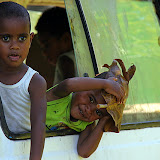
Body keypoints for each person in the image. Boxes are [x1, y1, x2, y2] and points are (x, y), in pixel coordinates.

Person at [0, 2, 47, 160]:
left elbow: (39, 125)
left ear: (31, 39)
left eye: (22, 38)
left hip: (22, 149)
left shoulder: (35, 82)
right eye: (6, 38)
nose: (15, 46)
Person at [46, 74, 125, 158]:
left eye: (98, 112)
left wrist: (106, 118)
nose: (89, 110)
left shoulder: (85, 124)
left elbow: (84, 152)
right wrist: (106, 84)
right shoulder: (59, 97)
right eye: (91, 99)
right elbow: (68, 84)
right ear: (82, 88)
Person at [33, 6, 77, 85]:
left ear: (65, 39)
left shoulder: (65, 60)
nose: (44, 53)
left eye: (46, 45)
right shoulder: (78, 59)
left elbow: (70, 91)